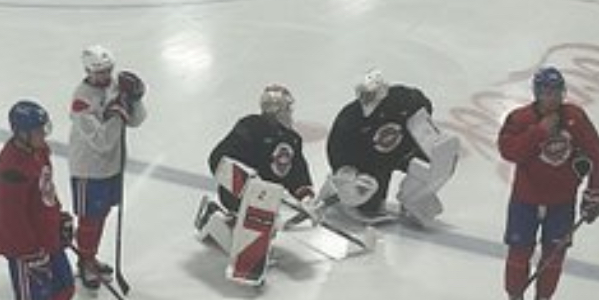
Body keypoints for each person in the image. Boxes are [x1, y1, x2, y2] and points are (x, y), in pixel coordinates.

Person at [496, 66, 599, 300]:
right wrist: (539, 132)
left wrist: (595, 192)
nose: (552, 98)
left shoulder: (576, 118)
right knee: (519, 252)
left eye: (557, 92)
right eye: (546, 92)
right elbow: (509, 151)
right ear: (537, 93)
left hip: (562, 202)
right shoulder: (520, 119)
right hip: (525, 201)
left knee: (554, 255)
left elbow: (597, 156)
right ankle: (515, 297)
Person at [0, 100, 76, 300]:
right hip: (25, 247)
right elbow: (11, 217)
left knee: (63, 288)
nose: (44, 135)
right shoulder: (11, 168)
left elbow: (46, 189)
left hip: (47, 239)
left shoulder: (39, 151)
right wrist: (29, 252)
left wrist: (59, 215)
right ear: (21, 133)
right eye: (38, 130)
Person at [316, 69, 459, 224]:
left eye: (370, 94)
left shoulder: (403, 99)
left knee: (439, 161)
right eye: (363, 94)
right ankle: (336, 191)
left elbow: (422, 106)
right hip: (372, 164)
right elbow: (337, 149)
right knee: (367, 204)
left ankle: (415, 198)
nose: (366, 99)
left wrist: (421, 129)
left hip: (403, 151)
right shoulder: (350, 118)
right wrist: (346, 173)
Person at [68, 44, 148, 289]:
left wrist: (135, 100)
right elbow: (101, 141)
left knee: (101, 216)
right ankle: (84, 262)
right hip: (89, 169)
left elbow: (136, 121)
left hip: (113, 166)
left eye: (108, 70)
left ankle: (90, 256)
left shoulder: (115, 86)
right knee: (89, 219)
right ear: (88, 71)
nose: (105, 76)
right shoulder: (81, 100)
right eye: (99, 72)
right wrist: (116, 115)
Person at [196, 84, 315, 240]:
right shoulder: (250, 127)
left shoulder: (293, 139)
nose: (291, 113)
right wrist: (247, 181)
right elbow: (219, 158)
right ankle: (215, 219)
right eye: (287, 109)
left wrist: (305, 197)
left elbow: (297, 171)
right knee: (261, 229)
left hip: (268, 199)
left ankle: (223, 219)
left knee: (265, 227)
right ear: (275, 112)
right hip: (238, 195)